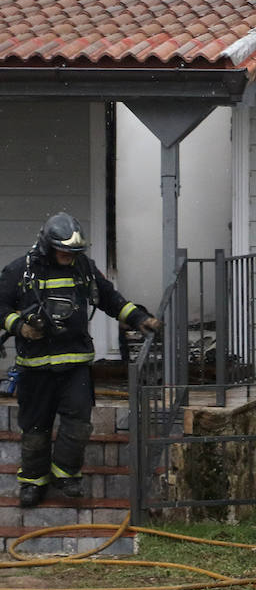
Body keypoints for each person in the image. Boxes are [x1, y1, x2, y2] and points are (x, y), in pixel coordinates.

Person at [0, 213, 160, 507]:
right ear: (48, 246)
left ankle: (67, 476)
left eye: (74, 252)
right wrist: (19, 326)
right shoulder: (20, 271)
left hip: (75, 366)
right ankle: (33, 482)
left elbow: (110, 298)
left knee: (77, 425)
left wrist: (138, 318)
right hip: (35, 368)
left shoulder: (82, 268)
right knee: (35, 429)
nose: (69, 256)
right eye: (64, 251)